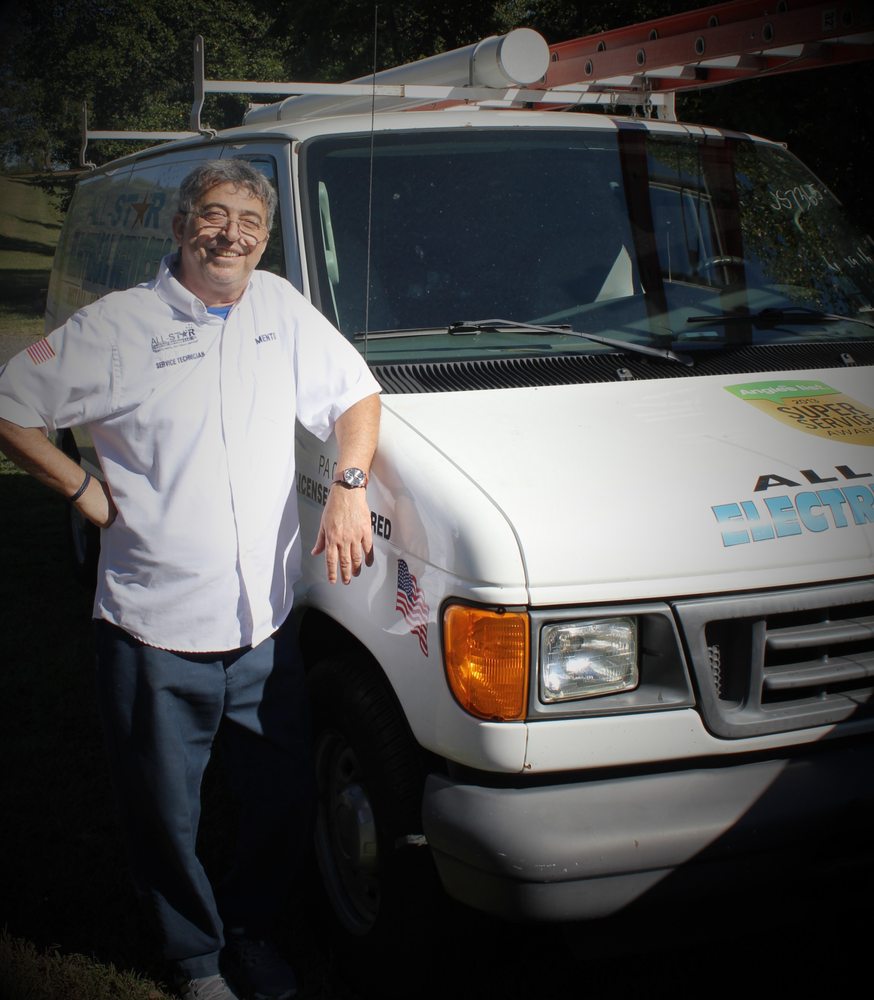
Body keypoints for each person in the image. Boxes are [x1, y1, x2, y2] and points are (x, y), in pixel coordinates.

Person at [0, 158, 381, 1000]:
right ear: (179, 227)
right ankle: (195, 959)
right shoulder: (117, 326)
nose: (231, 235)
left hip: (264, 632)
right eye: (213, 215)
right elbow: (10, 402)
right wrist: (83, 489)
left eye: (249, 222)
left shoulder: (279, 306)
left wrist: (351, 487)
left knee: (278, 802)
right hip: (153, 631)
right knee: (164, 818)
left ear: (265, 238)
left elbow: (355, 393)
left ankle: (248, 932)